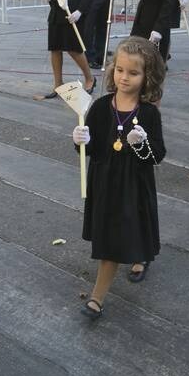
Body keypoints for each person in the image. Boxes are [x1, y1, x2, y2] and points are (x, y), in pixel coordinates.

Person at [71, 36, 167, 318]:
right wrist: (80, 139)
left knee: (128, 229)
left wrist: (141, 144)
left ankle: (97, 297)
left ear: (147, 77)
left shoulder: (149, 113)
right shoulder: (101, 107)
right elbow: (89, 148)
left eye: (133, 73)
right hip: (105, 182)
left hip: (134, 185)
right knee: (116, 233)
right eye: (120, 70)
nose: (124, 77)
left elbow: (157, 155)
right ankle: (137, 255)